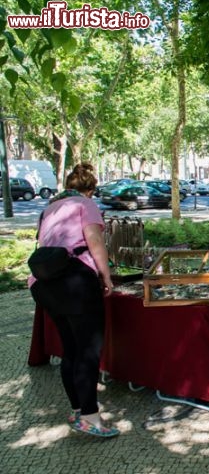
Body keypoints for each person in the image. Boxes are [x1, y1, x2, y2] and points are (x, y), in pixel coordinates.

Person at [29, 163, 119, 438]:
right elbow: (94, 241)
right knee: (88, 351)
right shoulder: (85, 204)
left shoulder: (49, 208)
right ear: (90, 190)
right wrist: (106, 276)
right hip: (76, 282)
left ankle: (78, 410)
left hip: (45, 285)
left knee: (71, 349)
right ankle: (91, 418)